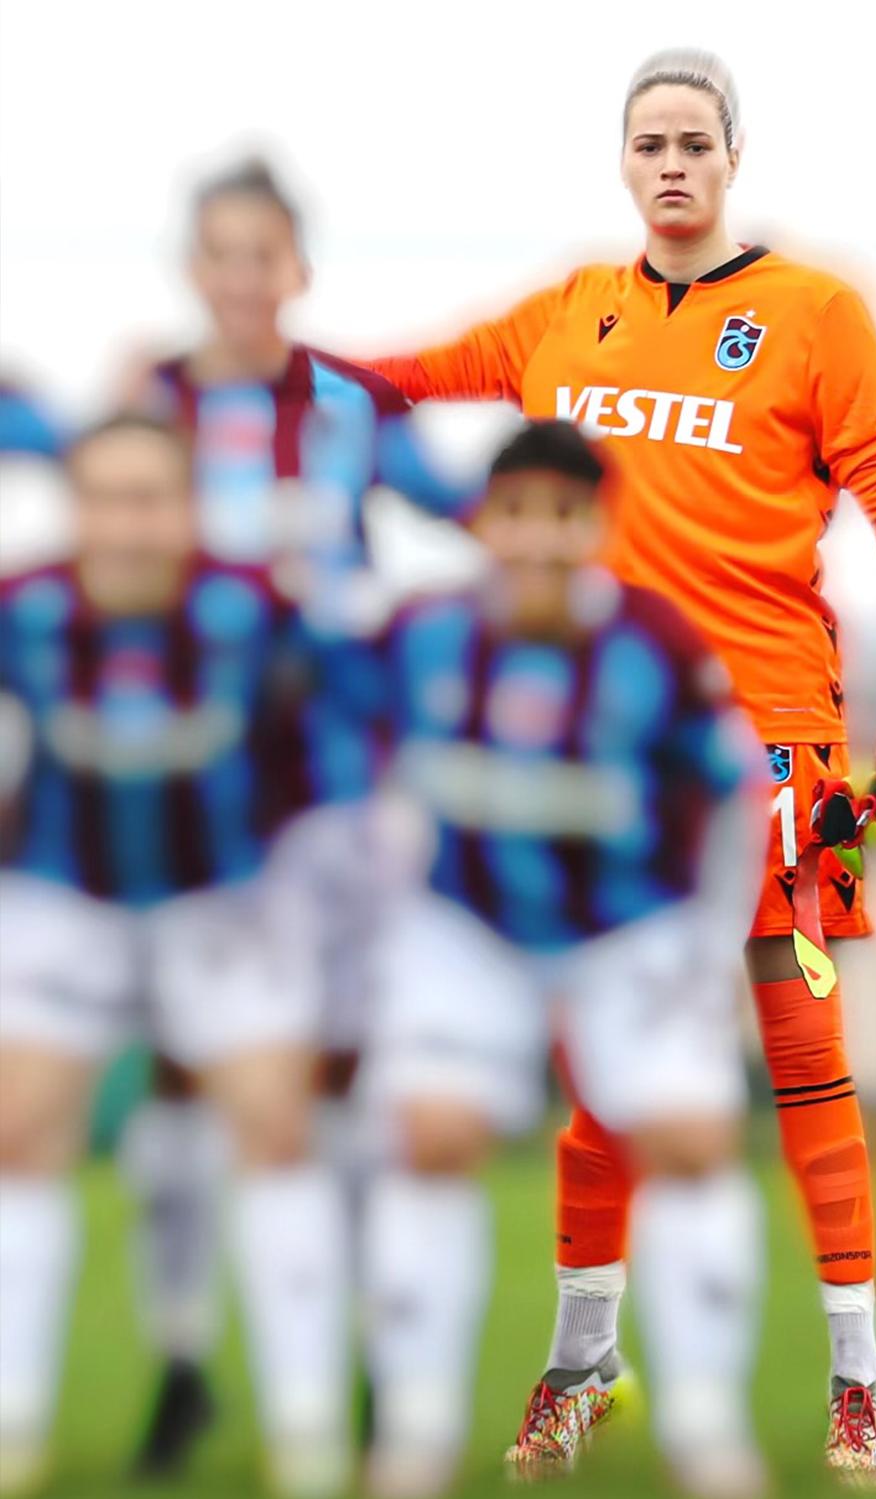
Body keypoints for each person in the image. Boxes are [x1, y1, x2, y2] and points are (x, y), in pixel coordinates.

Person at [362, 47, 876, 1486]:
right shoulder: (574, 312)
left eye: (694, 141)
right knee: (605, 1068)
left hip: (773, 748)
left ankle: (856, 1386)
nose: (672, 164)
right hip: (609, 759)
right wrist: (261, 372)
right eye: (649, 143)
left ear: (733, 155)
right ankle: (584, 1365)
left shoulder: (814, 312)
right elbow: (401, 380)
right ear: (623, 162)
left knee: (803, 1056)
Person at [116, 156, 476, 1476]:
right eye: (220, 252)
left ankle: (367, 1350)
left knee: (338, 1070)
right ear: (193, 266)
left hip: (337, 789)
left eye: (262, 253)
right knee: (177, 1073)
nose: (241, 276)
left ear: (297, 269)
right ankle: (182, 1355)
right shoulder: (148, 402)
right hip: (182, 788)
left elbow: (480, 512)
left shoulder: (347, 406)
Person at [357, 420, 769, 1499]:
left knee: (690, 1141)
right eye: (517, 513)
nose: (538, 537)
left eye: (563, 515)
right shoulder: (419, 633)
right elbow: (343, 768)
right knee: (432, 1133)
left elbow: (738, 795)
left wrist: (712, 952)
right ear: (483, 522)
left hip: (630, 929)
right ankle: (416, 1428)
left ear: (596, 525)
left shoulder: (656, 642)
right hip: (468, 927)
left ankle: (706, 1428)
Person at [0, 413, 356, 1498]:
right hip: (67, 893)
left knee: (276, 1126)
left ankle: (308, 1433)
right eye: (106, 499)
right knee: (18, 1132)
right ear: (76, 508)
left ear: (190, 506)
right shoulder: (24, 608)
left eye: (150, 498)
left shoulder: (255, 610)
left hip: (224, 894)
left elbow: (340, 729)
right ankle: (14, 1429)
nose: (129, 524)